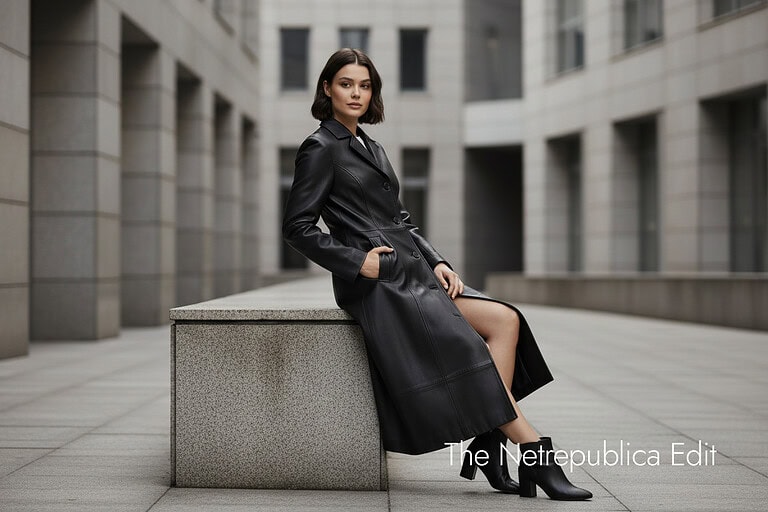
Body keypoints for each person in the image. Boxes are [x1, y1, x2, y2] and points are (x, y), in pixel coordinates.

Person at [283, 48, 592, 501]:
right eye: (346, 84)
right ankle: (533, 452)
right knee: (468, 346)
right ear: (327, 88)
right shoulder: (320, 147)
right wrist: (357, 261)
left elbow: (400, 219)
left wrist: (438, 260)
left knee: (505, 319)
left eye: (365, 86)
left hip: (413, 272)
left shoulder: (372, 146)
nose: (356, 93)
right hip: (379, 284)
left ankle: (487, 440)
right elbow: (297, 227)